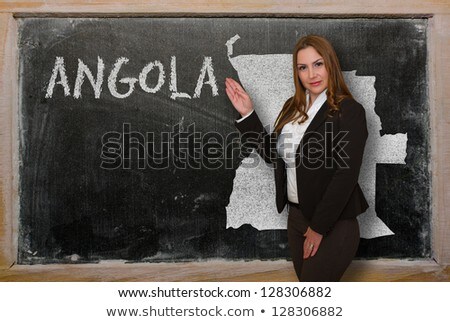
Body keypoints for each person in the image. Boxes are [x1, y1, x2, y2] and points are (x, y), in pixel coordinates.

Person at [225, 35, 369, 282]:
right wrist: (248, 113)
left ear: (330, 65)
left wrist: (318, 228)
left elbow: (345, 176)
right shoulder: (292, 107)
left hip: (332, 224)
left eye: (318, 64)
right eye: (303, 67)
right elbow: (274, 156)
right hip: (297, 218)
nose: (311, 74)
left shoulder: (349, 111)